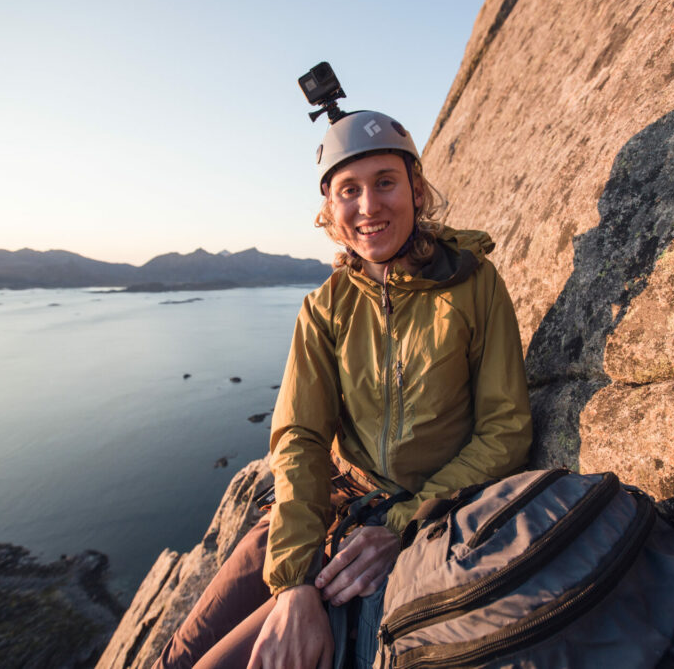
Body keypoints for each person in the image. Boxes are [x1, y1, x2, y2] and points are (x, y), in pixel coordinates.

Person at [154, 108, 532, 669]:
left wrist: (404, 526)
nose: (369, 206)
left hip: (412, 512)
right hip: (329, 503)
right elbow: (301, 437)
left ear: (417, 190)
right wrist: (292, 581)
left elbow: (505, 431)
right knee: (178, 655)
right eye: (348, 191)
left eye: (386, 182)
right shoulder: (325, 308)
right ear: (330, 212)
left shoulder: (472, 285)